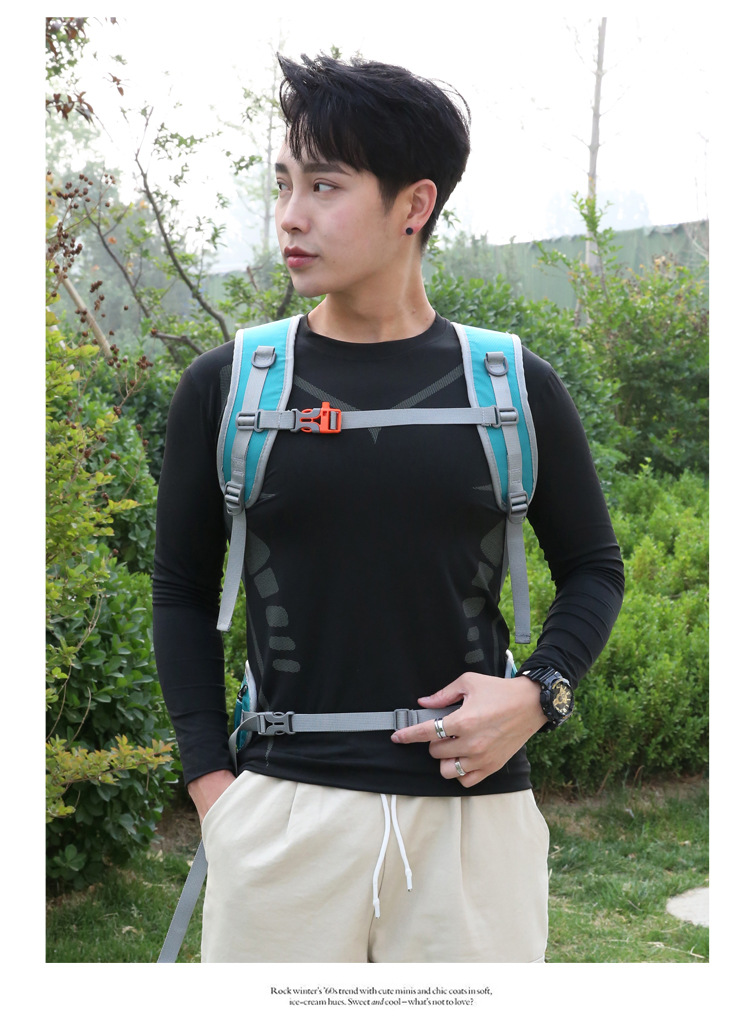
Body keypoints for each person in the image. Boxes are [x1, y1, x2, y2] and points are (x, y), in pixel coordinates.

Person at [152, 52, 624, 963]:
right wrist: (214, 789)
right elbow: (179, 589)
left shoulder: (512, 385)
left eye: (324, 185)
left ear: (415, 204)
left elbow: (594, 569)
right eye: (284, 183)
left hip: (472, 821)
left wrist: (540, 693)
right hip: (280, 813)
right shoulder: (228, 386)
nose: (291, 214)